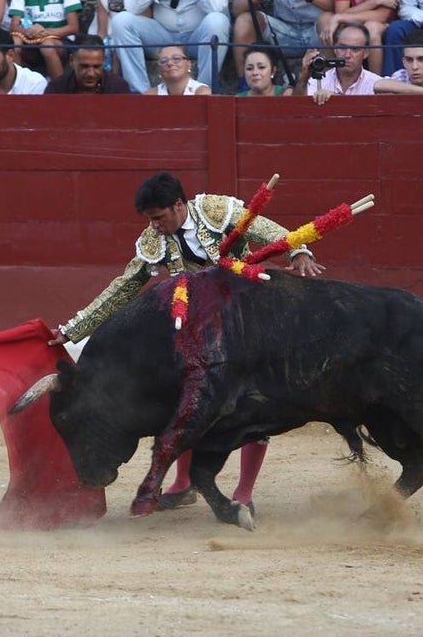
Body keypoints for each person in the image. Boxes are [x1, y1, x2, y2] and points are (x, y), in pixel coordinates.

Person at [47, 172, 326, 509]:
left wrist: (299, 251)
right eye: (150, 219)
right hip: (203, 325)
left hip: (246, 316)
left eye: (159, 217)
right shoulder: (154, 240)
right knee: (187, 397)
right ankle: (182, 485)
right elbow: (124, 287)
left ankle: (244, 494)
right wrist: (72, 329)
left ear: (179, 205)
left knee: (254, 399)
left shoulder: (214, 210)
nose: (155, 226)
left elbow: (264, 229)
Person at [294, 21, 423, 102]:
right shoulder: (319, 81)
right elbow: (295, 109)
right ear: (335, 49)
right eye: (343, 48)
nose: (348, 55)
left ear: (366, 53)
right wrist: (303, 77)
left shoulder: (375, 83)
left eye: (355, 49)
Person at [44, 34, 133, 92]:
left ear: (104, 61)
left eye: (96, 67)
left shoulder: (118, 87)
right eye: (84, 66)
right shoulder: (56, 89)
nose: (91, 73)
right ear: (71, 60)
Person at [147, 44, 211, 94]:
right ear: (159, 70)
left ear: (189, 64)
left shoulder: (201, 92)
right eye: (164, 61)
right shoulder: (150, 95)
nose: (170, 63)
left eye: (176, 58)